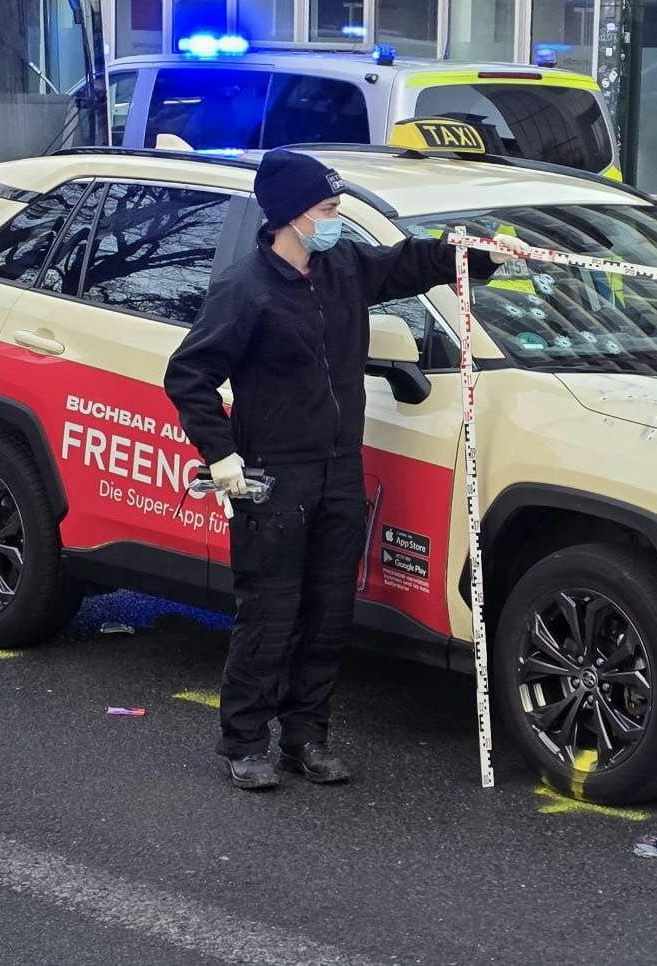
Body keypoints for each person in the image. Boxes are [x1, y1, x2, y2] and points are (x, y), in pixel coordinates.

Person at [165, 149, 525, 791]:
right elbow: (188, 375)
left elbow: (408, 264)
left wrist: (475, 252)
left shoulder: (342, 268)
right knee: (271, 615)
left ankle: (308, 737)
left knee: (330, 614)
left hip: (338, 471)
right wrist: (221, 455)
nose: (335, 221)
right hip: (273, 478)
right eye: (328, 210)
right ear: (291, 217)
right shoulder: (245, 290)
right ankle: (246, 742)